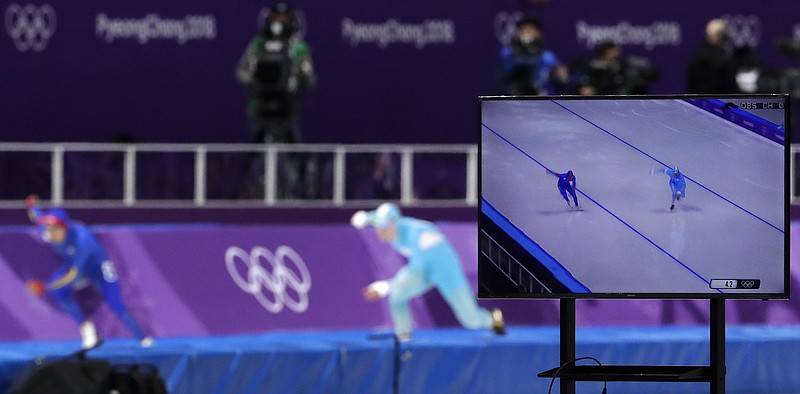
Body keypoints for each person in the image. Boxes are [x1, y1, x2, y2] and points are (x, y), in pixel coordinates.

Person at [351, 203, 505, 341]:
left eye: (384, 228)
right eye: (379, 228)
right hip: (423, 267)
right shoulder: (391, 227)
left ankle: (493, 319)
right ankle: (403, 337)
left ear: (394, 223)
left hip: (446, 270)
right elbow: (375, 218)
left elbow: (415, 272)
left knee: (471, 321)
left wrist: (386, 287)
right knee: (397, 296)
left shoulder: (416, 234)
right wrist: (364, 218)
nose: (380, 232)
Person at [24, 195, 152, 349]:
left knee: (116, 304)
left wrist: (45, 287)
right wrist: (32, 205)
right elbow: (38, 217)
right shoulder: (48, 231)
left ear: (64, 227)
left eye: (53, 229)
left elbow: (73, 277)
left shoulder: (83, 241)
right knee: (59, 293)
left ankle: (142, 337)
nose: (49, 234)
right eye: (48, 229)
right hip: (74, 266)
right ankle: (88, 330)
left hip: (99, 268)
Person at [497, 15, 565, 95]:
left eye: (531, 29)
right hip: (515, 100)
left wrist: (560, 79)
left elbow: (556, 83)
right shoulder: (508, 53)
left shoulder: (548, 57)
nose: (527, 33)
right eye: (524, 29)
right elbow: (501, 81)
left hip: (541, 101)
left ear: (538, 33)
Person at [687, 18, 737, 94]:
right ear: (723, 37)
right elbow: (732, 90)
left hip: (698, 104)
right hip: (721, 103)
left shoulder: (697, 57)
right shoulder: (725, 60)